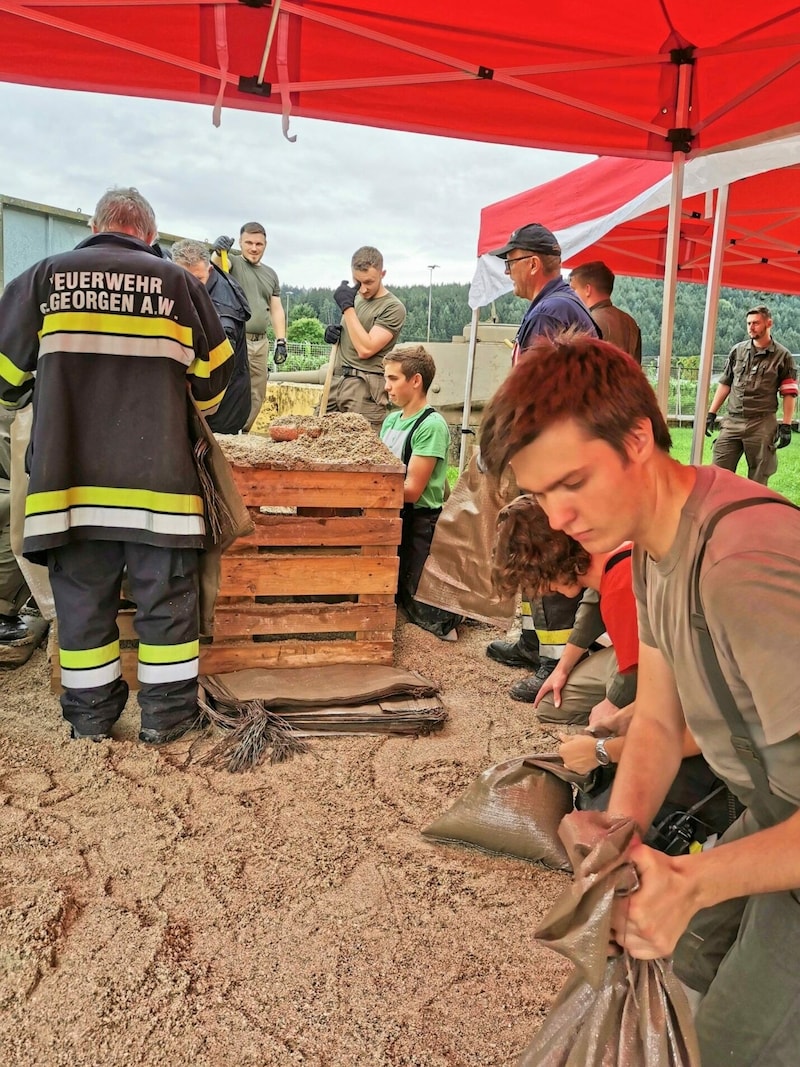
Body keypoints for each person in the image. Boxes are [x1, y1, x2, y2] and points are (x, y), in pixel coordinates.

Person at [480, 332, 800, 1066]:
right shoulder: (658, 548)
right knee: (687, 962)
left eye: (572, 483)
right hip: (774, 814)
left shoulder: (739, 564)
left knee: (728, 1045)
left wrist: (693, 876)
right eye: (541, 494)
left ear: (637, 438)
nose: (557, 519)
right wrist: (620, 825)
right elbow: (658, 718)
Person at [0, 186, 233, 744]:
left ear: (96, 225)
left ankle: (90, 723)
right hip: (162, 492)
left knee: (82, 607)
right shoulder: (178, 283)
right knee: (167, 607)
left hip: (69, 491)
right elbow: (215, 384)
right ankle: (168, 719)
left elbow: (6, 384)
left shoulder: (43, 278)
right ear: (150, 236)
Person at [484, 222, 601, 701]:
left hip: (552, 452)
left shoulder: (552, 310)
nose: (508, 272)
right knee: (532, 541)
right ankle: (534, 641)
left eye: (510, 262)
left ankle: (554, 660)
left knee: (545, 542)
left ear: (532, 262)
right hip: (556, 449)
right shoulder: (556, 306)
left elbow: (539, 392)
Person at [492, 494, 638, 730]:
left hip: (663, 668)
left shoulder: (622, 581)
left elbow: (642, 663)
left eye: (535, 580)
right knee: (551, 707)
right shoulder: (598, 567)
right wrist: (561, 669)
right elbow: (591, 610)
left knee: (610, 725)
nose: (540, 591)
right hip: (629, 657)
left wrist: (614, 703)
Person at [380, 346, 461, 638]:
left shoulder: (432, 425)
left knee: (432, 617)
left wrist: (366, 492)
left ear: (415, 381)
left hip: (419, 523)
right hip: (389, 516)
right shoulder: (391, 421)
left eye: (393, 378)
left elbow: (412, 491)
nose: (386, 386)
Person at [706, 304, 797, 485]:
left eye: (756, 323)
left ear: (768, 323)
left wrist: (786, 425)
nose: (751, 327)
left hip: (761, 423)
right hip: (732, 421)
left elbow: (789, 393)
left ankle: (754, 513)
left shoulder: (783, 356)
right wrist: (711, 413)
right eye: (748, 323)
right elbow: (726, 383)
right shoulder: (737, 350)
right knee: (718, 473)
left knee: (758, 478)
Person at [212, 223, 287, 431]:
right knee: (230, 386)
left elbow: (276, 309)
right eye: (249, 243)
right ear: (241, 242)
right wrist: (218, 252)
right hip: (237, 339)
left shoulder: (271, 274)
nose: (254, 248)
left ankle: (243, 432)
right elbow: (216, 269)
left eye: (259, 244)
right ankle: (224, 430)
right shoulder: (232, 263)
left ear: (265, 245)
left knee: (258, 392)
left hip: (260, 342)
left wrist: (281, 340)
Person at [172, 239, 251, 435]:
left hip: (221, 409)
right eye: (183, 278)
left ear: (209, 271)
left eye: (197, 279)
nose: (190, 286)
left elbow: (217, 368)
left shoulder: (223, 314)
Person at [324, 246, 406, 432]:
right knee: (316, 444)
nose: (363, 288)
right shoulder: (356, 298)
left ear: (382, 273)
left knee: (359, 455)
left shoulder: (393, 307)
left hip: (364, 389)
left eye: (369, 281)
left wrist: (347, 308)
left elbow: (366, 349)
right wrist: (336, 334)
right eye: (357, 281)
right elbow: (355, 332)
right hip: (336, 382)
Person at [568, 260, 642, 362]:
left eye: (573, 289)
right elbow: (637, 367)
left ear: (587, 289)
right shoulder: (631, 322)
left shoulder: (587, 322)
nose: (571, 294)